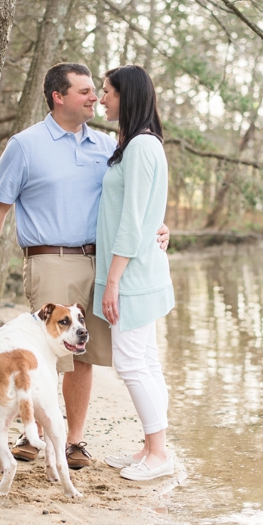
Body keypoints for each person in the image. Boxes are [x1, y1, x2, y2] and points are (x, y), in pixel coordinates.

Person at [0, 62, 168, 470]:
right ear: (58, 97)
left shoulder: (108, 146)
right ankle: (31, 434)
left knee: (81, 354)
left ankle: (74, 442)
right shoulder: (25, 145)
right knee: (45, 353)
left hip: (100, 262)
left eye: (97, 91)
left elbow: (133, 198)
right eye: (84, 91)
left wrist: (159, 224)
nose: (94, 98)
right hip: (50, 259)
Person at [95, 65, 176, 481]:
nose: (101, 98)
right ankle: (152, 446)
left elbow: (133, 219)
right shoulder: (133, 144)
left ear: (126, 96)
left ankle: (160, 454)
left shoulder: (143, 146)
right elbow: (145, 214)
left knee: (130, 364)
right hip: (136, 269)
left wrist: (113, 279)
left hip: (133, 275)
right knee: (145, 360)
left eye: (107, 91)